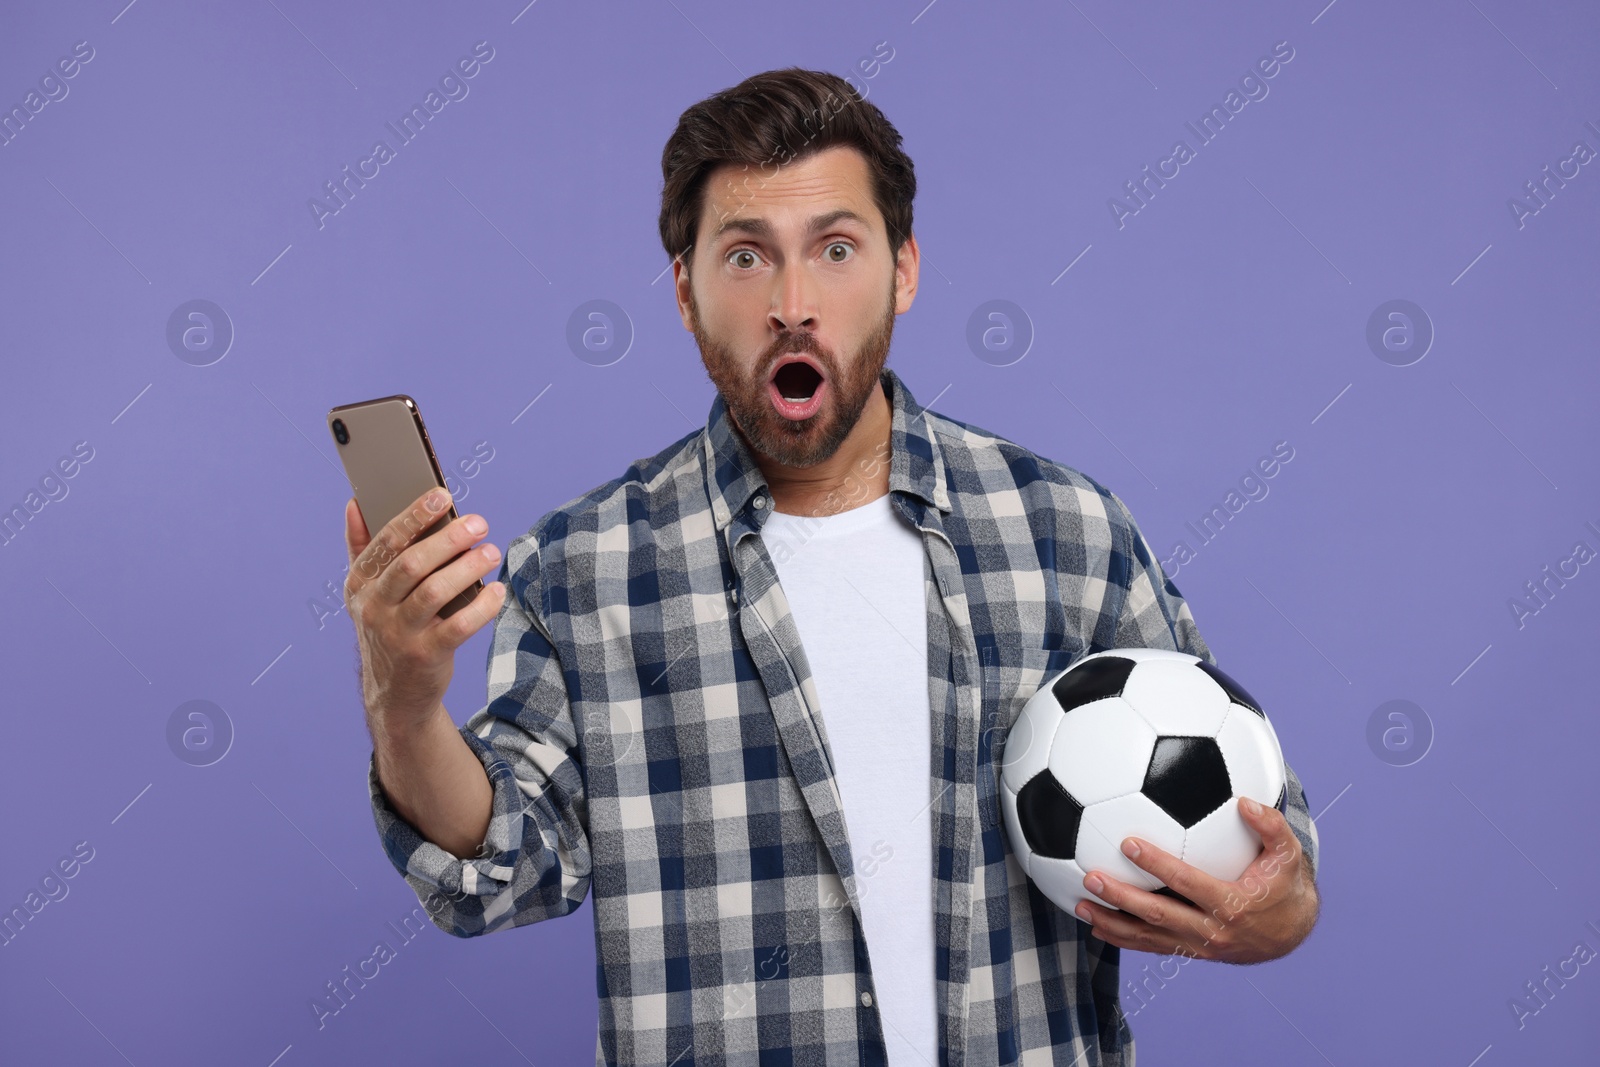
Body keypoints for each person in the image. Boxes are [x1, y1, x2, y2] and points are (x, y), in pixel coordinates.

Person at [341, 67, 1321, 1067]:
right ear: (685, 291)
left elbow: (1269, 856)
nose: (793, 302)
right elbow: (495, 872)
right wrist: (405, 701)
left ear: (903, 269)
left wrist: (1273, 910)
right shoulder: (584, 566)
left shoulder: (1065, 529)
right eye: (745, 256)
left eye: (836, 248)